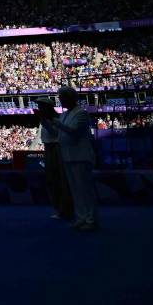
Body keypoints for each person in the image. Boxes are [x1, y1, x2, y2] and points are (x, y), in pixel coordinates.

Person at [42, 87, 99, 231]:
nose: (60, 99)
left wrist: (54, 121)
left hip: (80, 156)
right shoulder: (64, 115)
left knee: (85, 190)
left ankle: (91, 219)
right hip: (68, 156)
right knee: (75, 190)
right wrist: (46, 123)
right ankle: (81, 218)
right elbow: (58, 133)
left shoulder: (81, 113)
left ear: (70, 98)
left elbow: (73, 131)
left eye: (61, 97)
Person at [34, 97, 73, 220]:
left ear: (48, 107)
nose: (39, 108)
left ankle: (65, 209)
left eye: (41, 106)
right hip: (48, 147)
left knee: (60, 179)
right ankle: (58, 209)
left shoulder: (57, 118)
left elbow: (55, 133)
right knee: (51, 179)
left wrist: (45, 121)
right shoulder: (44, 119)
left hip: (56, 147)